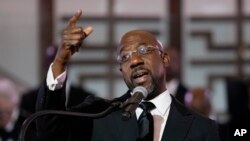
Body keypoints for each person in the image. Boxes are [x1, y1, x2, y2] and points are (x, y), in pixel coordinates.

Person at [36, 10, 220, 141]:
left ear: (164, 58)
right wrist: (60, 61)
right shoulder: (99, 115)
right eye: (125, 57)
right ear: (121, 70)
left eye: (143, 50)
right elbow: (49, 133)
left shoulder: (203, 129)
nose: (135, 61)